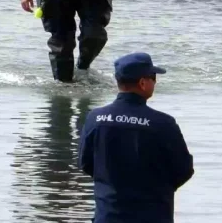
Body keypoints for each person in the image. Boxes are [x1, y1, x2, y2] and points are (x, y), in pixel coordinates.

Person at [78, 52, 194, 223]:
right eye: (153, 77)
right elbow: (184, 169)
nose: (155, 82)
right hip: (152, 215)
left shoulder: (95, 118)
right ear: (142, 83)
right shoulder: (163, 123)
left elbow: (86, 163)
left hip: (108, 215)